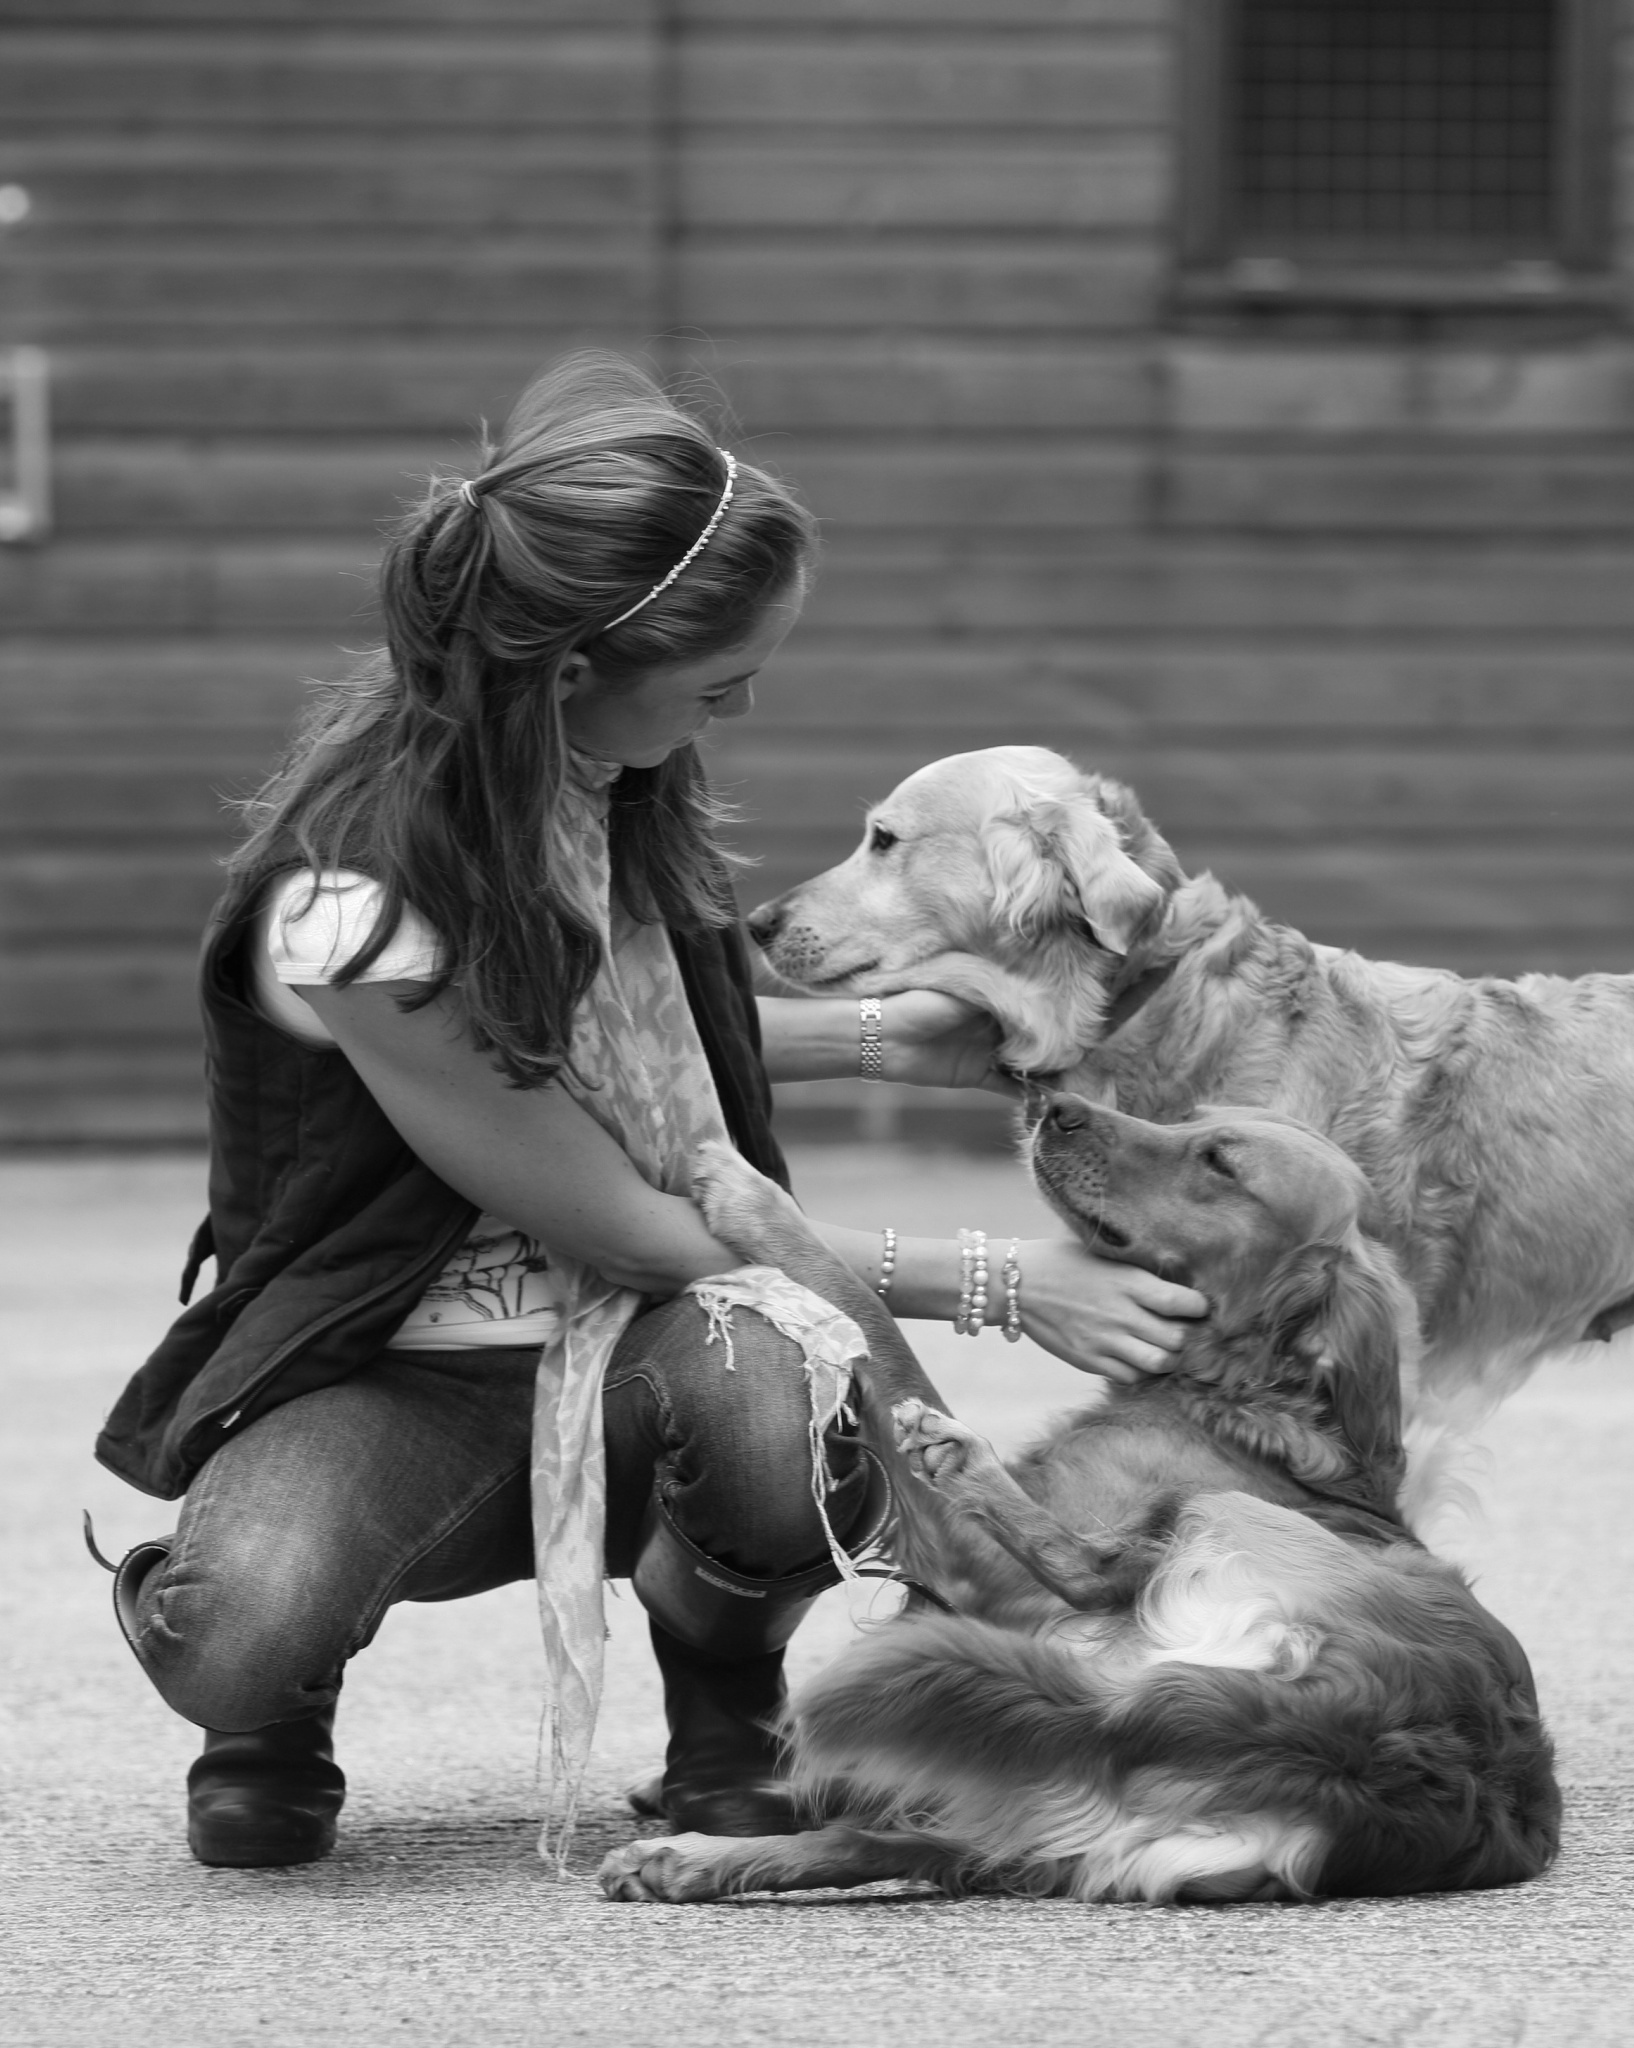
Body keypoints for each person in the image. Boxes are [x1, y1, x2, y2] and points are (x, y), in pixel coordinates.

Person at [89, 354, 1207, 1869]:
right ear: (567, 672)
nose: (740, 705)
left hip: (641, 1359)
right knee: (242, 1622)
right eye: (717, 679)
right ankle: (268, 1703)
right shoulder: (348, 913)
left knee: (773, 1408)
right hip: (389, 1375)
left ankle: (725, 1700)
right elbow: (630, 1217)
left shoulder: (603, 785)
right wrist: (997, 1281)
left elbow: (617, 1062)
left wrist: (896, 1040)